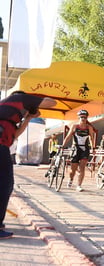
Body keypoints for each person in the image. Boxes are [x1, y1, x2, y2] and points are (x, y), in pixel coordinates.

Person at [0, 91, 56, 239]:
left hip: (2, 147)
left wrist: (29, 117)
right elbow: (51, 102)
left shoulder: (8, 113)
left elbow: (16, 134)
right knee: (5, 185)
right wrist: (34, 104)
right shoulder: (19, 98)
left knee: (4, 185)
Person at [62, 110, 95, 192]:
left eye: (85, 117)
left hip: (85, 149)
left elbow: (91, 138)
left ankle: (79, 185)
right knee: (73, 170)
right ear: (79, 117)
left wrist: (93, 148)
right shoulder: (75, 126)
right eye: (81, 117)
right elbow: (68, 136)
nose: (83, 119)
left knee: (82, 167)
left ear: (87, 118)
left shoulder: (89, 127)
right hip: (75, 148)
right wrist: (63, 146)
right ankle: (71, 179)